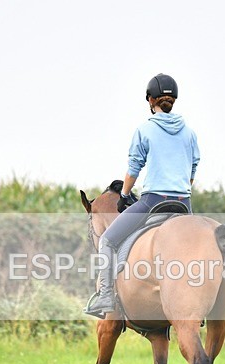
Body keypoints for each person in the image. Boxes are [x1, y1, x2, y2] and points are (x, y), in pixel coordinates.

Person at [84, 73, 200, 317]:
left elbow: (134, 168)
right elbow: (193, 169)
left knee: (107, 241)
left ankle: (105, 297)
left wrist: (125, 194)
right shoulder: (189, 133)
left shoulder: (144, 130)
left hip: (153, 201)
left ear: (150, 100)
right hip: (184, 204)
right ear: (173, 100)